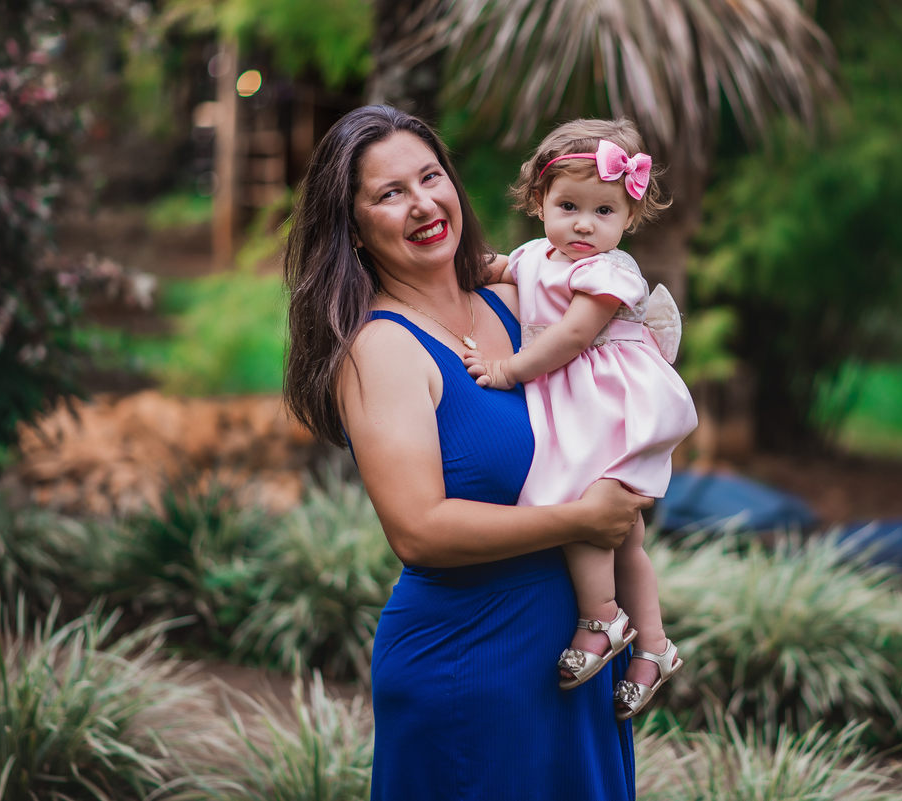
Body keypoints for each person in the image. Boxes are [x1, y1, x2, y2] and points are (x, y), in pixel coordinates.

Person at [282, 105, 653, 801]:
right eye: (390, 193)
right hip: (471, 667)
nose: (423, 203)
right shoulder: (381, 348)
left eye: (431, 176)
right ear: (353, 229)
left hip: (574, 656)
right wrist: (582, 520)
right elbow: (418, 530)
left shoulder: (522, 300)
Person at [464, 119, 698, 720]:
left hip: (612, 400)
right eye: (568, 206)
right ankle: (653, 647)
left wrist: (509, 369)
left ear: (629, 217)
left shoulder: (609, 271)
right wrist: (459, 270)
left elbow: (571, 336)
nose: (584, 224)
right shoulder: (533, 256)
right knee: (628, 537)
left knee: (585, 510)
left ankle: (603, 620)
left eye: (604, 210)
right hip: (578, 400)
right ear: (539, 203)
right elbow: (493, 268)